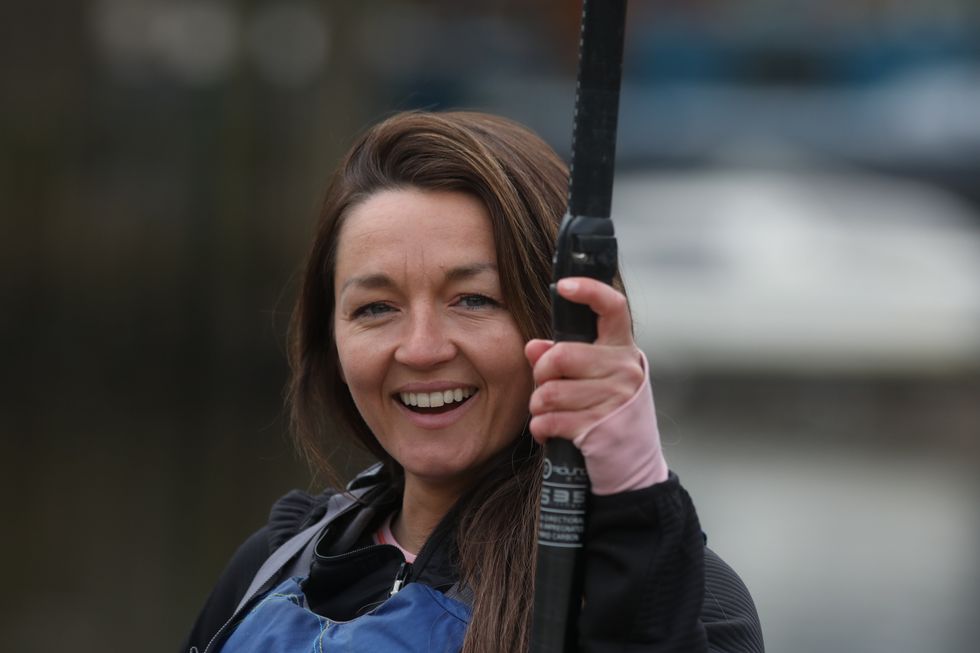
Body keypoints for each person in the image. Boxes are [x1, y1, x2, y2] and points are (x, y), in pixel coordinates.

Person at [182, 111, 764, 653]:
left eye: (474, 299)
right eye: (376, 308)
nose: (422, 348)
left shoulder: (676, 602)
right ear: (329, 341)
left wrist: (634, 500)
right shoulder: (276, 563)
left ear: (563, 326)